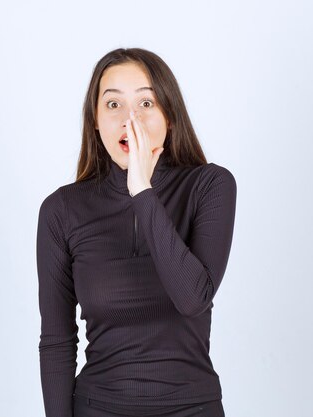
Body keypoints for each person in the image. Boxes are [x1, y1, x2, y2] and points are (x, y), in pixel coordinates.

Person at [36, 47, 237, 417]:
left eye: (146, 103)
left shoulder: (210, 186)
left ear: (170, 116)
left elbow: (193, 299)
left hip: (192, 407)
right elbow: (57, 342)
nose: (130, 119)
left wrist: (142, 189)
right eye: (113, 105)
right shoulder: (61, 210)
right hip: (97, 407)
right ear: (95, 120)